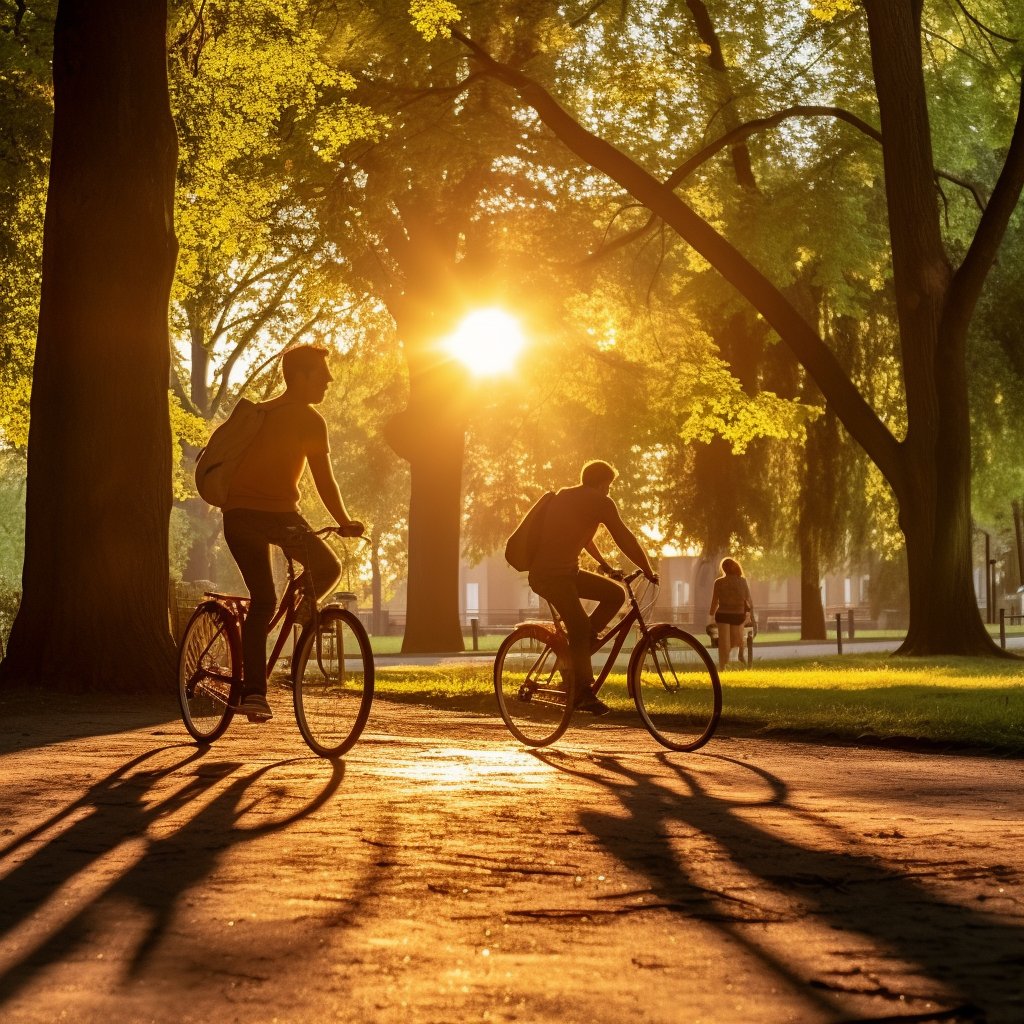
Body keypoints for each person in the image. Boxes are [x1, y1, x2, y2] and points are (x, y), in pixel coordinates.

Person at [222, 345, 362, 722]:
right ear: (299, 377)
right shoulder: (309, 420)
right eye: (322, 373)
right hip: (276, 516)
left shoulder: (262, 411)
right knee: (325, 569)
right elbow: (324, 481)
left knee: (263, 601)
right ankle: (302, 615)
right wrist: (345, 521)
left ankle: (255, 694)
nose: (329, 380)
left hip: (237, 515)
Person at [528, 460, 658, 715]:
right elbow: (624, 538)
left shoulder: (567, 496)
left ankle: (580, 647)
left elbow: (582, 537)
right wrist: (648, 568)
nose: (608, 492)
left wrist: (605, 566)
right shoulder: (600, 501)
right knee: (577, 624)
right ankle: (582, 691)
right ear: (601, 483)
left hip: (566, 573)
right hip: (550, 576)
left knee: (614, 593)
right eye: (608, 486)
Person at [708, 557, 754, 670]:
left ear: (723, 569)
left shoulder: (718, 582)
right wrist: (751, 615)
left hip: (723, 614)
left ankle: (723, 666)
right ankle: (728, 660)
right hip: (737, 615)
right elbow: (748, 599)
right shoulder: (742, 581)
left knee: (724, 642)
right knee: (735, 640)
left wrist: (711, 615)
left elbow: (714, 601)